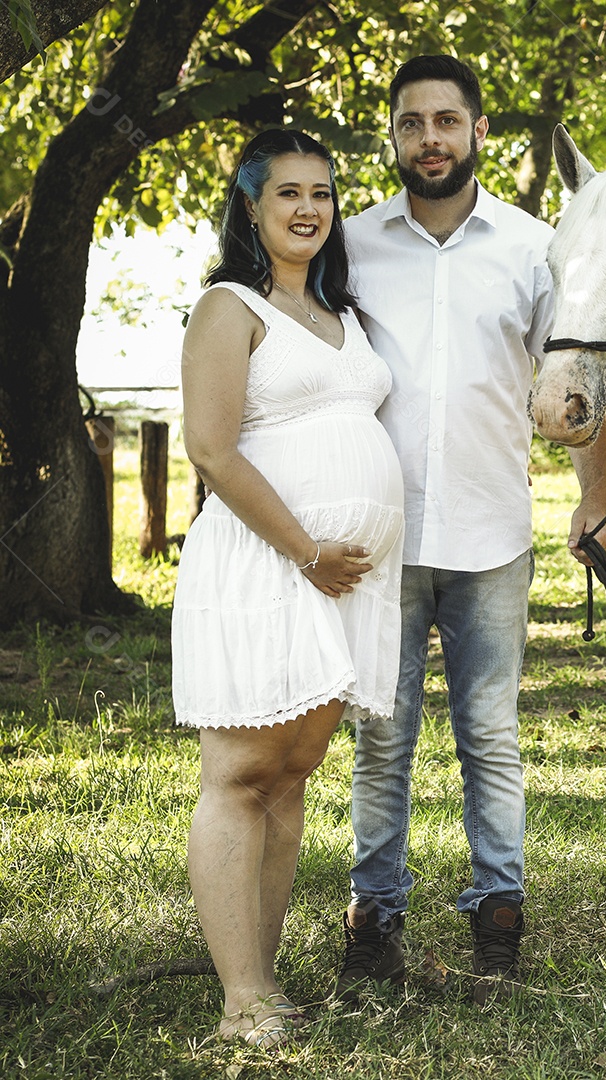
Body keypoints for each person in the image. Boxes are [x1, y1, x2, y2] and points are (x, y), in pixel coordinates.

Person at [335, 54, 606, 1006]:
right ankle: (375, 918)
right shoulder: (354, 243)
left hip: (494, 532)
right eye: (412, 124)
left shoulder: (536, 248)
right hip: (379, 539)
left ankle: (500, 914)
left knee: (490, 734)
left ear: (478, 130)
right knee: (382, 737)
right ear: (395, 136)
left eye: (446, 121)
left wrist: (591, 498)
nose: (430, 140)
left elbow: (573, 391)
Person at [172, 128, 404, 1046]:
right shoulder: (229, 307)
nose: (307, 208)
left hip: (343, 582)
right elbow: (212, 449)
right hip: (267, 566)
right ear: (252, 207)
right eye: (287, 194)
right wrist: (307, 549)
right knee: (239, 774)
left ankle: (259, 978)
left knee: (292, 775)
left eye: (322, 192)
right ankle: (240, 1001)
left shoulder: (342, 314)